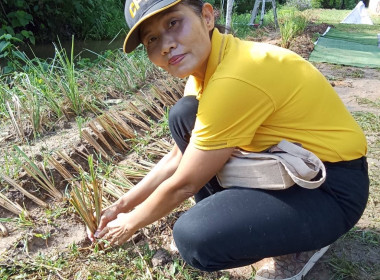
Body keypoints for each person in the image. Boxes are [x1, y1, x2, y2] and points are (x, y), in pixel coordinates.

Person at [88, 1, 369, 279]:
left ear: (207, 17)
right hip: (293, 167)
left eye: (173, 23)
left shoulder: (236, 75)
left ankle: (298, 248)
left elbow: (185, 184)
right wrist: (121, 207)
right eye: (152, 39)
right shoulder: (203, 72)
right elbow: (177, 158)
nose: (165, 45)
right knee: (184, 115)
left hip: (332, 187)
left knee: (195, 239)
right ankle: (250, 225)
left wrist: (129, 224)